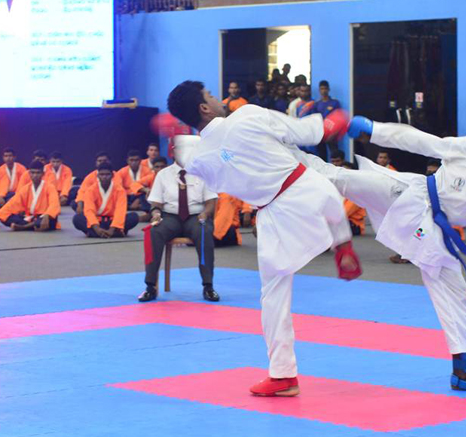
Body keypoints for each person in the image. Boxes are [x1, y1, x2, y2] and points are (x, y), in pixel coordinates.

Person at [293, 117, 466, 393]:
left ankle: (463, 371)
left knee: (457, 292)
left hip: (435, 232)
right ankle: (281, 154)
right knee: (340, 178)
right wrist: (374, 130)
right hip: (408, 194)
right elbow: (422, 141)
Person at [163, 80, 361, 397]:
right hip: (312, 190)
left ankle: (283, 375)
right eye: (210, 95)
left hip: (273, 213)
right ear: (204, 107)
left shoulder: (198, 159)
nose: (217, 98)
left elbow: (204, 166)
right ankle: (341, 239)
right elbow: (305, 132)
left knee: (273, 295)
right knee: (329, 190)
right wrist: (329, 124)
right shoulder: (248, 114)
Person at [137, 136, 219, 303]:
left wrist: (206, 213)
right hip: (170, 216)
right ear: (173, 152)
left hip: (196, 216)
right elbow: (156, 203)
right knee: (154, 232)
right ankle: (150, 286)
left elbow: (211, 201)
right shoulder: (163, 175)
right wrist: (156, 214)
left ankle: (208, 286)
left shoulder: (204, 173)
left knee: (204, 232)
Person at [72, 162, 139, 238]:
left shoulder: (120, 190)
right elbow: (89, 211)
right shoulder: (90, 190)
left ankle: (94, 233)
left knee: (134, 217)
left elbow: (120, 211)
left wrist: (112, 229)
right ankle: (115, 233)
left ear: (112, 175)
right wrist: (97, 228)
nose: (104, 177)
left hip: (112, 220)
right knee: (77, 218)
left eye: (107, 174)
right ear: (98, 176)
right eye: (102, 174)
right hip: (97, 221)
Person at [0, 160, 60, 231]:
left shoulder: (50, 187)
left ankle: (24, 227)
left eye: (38, 173)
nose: (35, 176)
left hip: (44, 217)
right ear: (29, 173)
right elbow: (12, 204)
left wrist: (47, 215)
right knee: (3, 215)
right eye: (33, 173)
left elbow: (54, 204)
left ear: (43, 174)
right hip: (30, 218)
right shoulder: (25, 189)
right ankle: (31, 225)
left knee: (52, 218)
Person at [313, 80, 342, 161]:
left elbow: (339, 118)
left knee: (335, 155)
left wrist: (334, 133)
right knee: (321, 156)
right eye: (322, 89)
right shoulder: (316, 104)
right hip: (320, 133)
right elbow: (315, 119)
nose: (324, 91)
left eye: (325, 88)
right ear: (319, 90)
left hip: (332, 133)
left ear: (328, 89)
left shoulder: (335, 103)